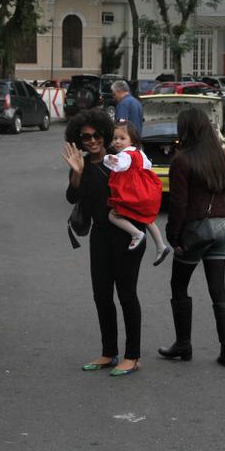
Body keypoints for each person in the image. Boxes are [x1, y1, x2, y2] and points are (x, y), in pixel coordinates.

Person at [62, 109, 146, 376]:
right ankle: (109, 352)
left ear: (105, 134)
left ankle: (133, 356)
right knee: (102, 296)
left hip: (127, 235)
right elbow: (72, 198)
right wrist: (77, 173)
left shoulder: (120, 160)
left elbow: (143, 189)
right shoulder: (82, 163)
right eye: (85, 137)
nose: (92, 141)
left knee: (126, 294)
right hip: (100, 236)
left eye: (97, 135)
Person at [159, 108, 225, 367]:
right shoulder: (222, 158)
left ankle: (184, 344)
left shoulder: (182, 160)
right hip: (222, 226)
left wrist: (174, 235)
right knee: (218, 288)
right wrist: (224, 217)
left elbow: (179, 204)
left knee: (179, 285)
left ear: (186, 130)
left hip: (196, 228)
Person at [104, 122, 170, 265]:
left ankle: (136, 234)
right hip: (143, 191)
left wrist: (110, 159)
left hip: (132, 193)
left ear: (131, 140)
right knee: (146, 219)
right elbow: (148, 166)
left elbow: (121, 164)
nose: (117, 141)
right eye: (115, 138)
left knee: (113, 215)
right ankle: (161, 246)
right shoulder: (139, 152)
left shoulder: (125, 155)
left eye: (122, 138)